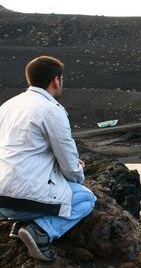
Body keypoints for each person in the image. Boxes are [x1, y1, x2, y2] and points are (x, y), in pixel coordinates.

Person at [0, 56, 96, 261]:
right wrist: (79, 177)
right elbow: (69, 164)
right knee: (86, 198)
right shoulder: (52, 110)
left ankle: (19, 225)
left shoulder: (7, 106)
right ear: (56, 80)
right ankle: (41, 231)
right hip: (27, 201)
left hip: (2, 200)